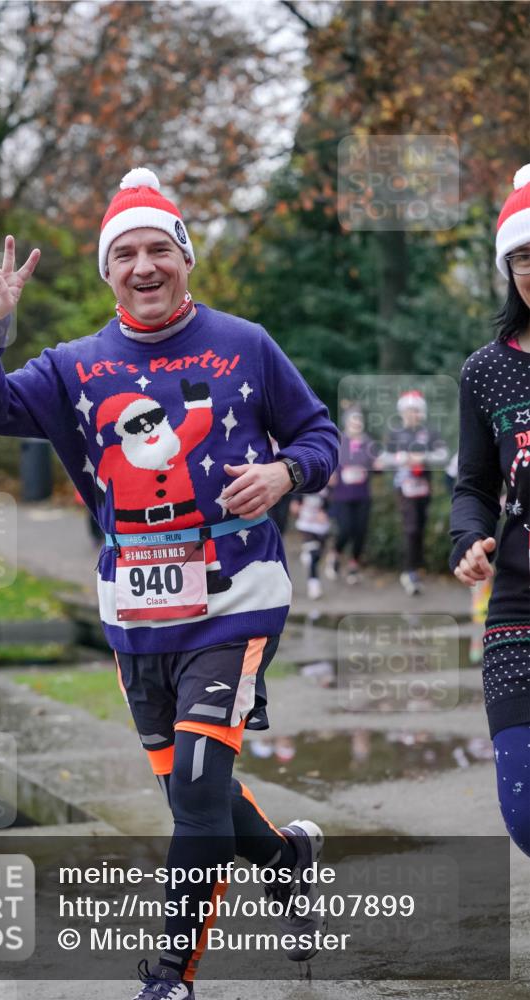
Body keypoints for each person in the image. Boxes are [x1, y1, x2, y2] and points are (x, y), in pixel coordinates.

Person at [0, 168, 340, 997]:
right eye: (123, 253)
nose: (143, 266)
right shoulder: (72, 369)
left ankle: (171, 977)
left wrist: (282, 475)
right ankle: (286, 857)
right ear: (107, 271)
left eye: (158, 247)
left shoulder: (245, 345)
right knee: (193, 789)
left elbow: (317, 434)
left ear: (185, 256)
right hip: (137, 610)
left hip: (238, 595)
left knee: (197, 792)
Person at [450, 163, 530, 857]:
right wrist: (468, 538)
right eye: (525, 257)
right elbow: (473, 482)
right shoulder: (485, 371)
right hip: (518, 605)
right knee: (525, 813)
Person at [379, 390, 448, 596]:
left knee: (419, 527)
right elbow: (384, 457)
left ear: (421, 413)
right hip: (404, 487)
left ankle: (415, 567)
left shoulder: (431, 432)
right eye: (409, 411)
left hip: (424, 487)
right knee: (410, 528)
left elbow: (443, 454)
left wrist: (423, 457)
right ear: (402, 412)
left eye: (416, 411)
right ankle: (409, 571)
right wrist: (402, 458)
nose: (412, 414)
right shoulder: (395, 433)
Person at [326, 407, 374, 585]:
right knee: (345, 530)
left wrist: (377, 465)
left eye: (359, 420)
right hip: (342, 495)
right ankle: (335, 554)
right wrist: (331, 473)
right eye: (353, 420)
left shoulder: (368, 442)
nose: (356, 423)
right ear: (346, 422)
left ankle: (353, 566)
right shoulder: (339, 441)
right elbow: (329, 461)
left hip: (362, 495)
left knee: (360, 531)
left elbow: (375, 466)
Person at [293, 487, 331, 599]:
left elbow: (335, 505)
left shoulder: (327, 487)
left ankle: (307, 552)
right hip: (306, 525)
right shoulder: (303, 484)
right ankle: (314, 585)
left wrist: (325, 513)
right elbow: (294, 505)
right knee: (314, 554)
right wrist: (296, 507)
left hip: (321, 527)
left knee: (318, 555)